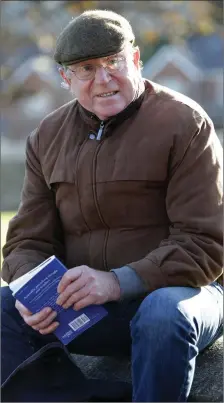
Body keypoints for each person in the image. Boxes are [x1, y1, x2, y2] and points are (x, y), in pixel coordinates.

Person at [1, 9, 223, 403]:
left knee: (162, 313)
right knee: (4, 306)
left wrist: (117, 281)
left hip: (184, 295)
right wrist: (32, 290)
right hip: (87, 307)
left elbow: (206, 243)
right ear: (65, 79)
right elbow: (26, 242)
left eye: (113, 61)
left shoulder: (186, 123)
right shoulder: (46, 136)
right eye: (86, 69)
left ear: (135, 59)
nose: (104, 79)